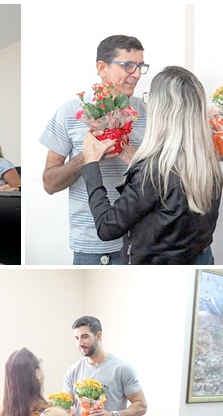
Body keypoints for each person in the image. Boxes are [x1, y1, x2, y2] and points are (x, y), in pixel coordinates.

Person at [81, 66, 222, 265]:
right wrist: (136, 159)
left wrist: (90, 163)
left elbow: (106, 228)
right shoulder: (208, 164)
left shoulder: (154, 174)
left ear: (162, 110)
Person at [39, 35, 148, 264]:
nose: (137, 74)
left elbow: (165, 175)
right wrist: (86, 158)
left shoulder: (150, 112)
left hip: (143, 242)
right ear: (102, 67)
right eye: (128, 65)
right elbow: (49, 184)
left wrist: (134, 157)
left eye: (140, 66)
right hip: (93, 247)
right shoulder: (69, 112)